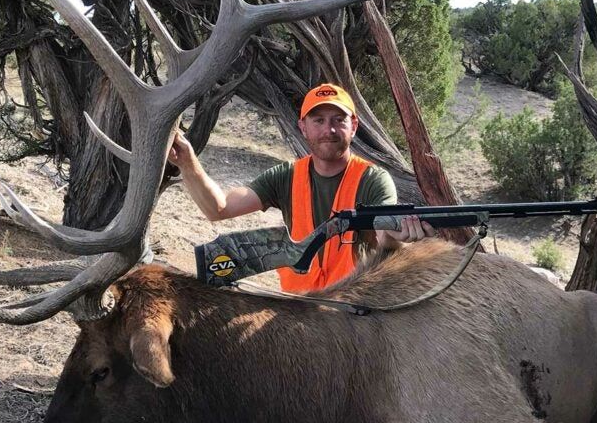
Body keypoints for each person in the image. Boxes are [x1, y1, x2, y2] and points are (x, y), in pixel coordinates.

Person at [169, 82, 434, 292]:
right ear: (303, 127)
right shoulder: (286, 176)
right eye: (318, 120)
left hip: (351, 308)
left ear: (353, 126)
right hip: (295, 309)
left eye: (338, 120)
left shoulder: (373, 179)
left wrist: (396, 238)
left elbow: (384, 237)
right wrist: (188, 162)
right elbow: (220, 208)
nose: (328, 129)